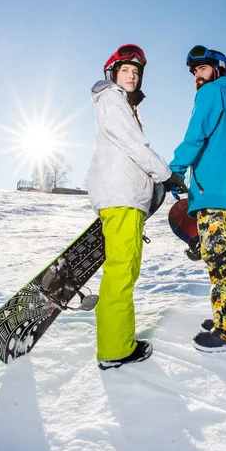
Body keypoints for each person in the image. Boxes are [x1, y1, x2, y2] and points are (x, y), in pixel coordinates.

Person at [88, 44, 186, 370]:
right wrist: (167, 174)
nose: (131, 76)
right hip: (122, 198)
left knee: (123, 271)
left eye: (135, 72)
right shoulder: (113, 99)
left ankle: (118, 342)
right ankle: (116, 350)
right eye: (125, 71)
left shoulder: (119, 103)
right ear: (113, 73)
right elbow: (135, 146)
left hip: (125, 199)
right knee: (121, 273)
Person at [168, 45, 226, 353]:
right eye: (194, 73)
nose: (196, 76)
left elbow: (195, 136)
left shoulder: (210, 94)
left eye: (201, 69)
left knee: (221, 260)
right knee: (225, 255)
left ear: (218, 69)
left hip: (212, 192)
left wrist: (174, 170)